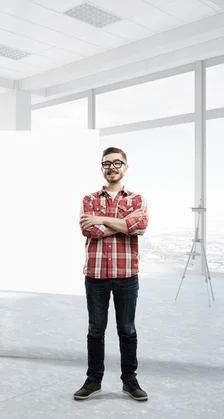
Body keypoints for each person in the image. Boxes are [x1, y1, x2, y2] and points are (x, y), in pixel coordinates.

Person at [74, 147, 149, 402]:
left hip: (127, 275)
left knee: (127, 330)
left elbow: (140, 226)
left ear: (125, 167)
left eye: (117, 162)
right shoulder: (89, 198)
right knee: (96, 330)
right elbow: (90, 230)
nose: (112, 167)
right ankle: (94, 380)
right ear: (102, 168)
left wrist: (101, 219)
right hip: (95, 275)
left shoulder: (137, 199)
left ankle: (130, 381)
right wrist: (124, 225)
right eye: (107, 163)